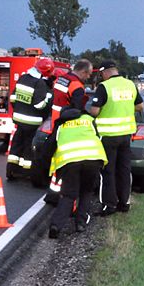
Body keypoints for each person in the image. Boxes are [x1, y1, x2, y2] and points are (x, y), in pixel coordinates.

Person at [88, 60, 144, 215]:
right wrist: (125, 108)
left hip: (108, 136)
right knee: (124, 170)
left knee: (107, 171)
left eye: (101, 74)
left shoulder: (104, 87)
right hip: (126, 135)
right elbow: (140, 106)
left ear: (105, 72)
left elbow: (94, 111)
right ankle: (124, 203)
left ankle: (109, 205)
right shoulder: (130, 84)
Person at [44, 106, 107, 238]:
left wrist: (43, 164)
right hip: (93, 159)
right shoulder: (89, 119)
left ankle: (56, 225)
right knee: (86, 191)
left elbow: (50, 146)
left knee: (68, 195)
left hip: (70, 162)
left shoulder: (61, 125)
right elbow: (99, 137)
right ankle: (80, 223)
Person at [45, 59, 94, 204]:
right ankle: (64, 198)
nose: (89, 77)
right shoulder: (77, 86)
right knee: (67, 163)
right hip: (67, 127)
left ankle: (53, 193)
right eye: (89, 74)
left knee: (57, 160)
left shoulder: (62, 79)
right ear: (84, 71)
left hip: (55, 123)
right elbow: (76, 110)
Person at [7, 57, 54, 180]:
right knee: (28, 147)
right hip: (32, 121)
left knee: (16, 145)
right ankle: (26, 172)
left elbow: (12, 98)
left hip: (19, 119)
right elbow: (39, 105)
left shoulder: (23, 78)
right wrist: (48, 101)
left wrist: (19, 109)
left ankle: (11, 170)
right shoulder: (40, 84)